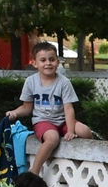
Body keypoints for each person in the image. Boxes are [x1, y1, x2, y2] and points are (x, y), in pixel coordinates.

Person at [6, 42, 93, 176]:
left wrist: (70, 130)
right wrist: (15, 113)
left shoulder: (64, 82)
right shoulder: (31, 82)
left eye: (52, 60)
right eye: (43, 60)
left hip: (63, 121)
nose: (48, 63)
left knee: (85, 131)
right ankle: (34, 172)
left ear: (58, 62)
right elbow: (26, 107)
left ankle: (89, 162)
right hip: (43, 121)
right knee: (52, 138)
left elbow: (68, 108)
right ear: (35, 63)